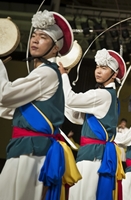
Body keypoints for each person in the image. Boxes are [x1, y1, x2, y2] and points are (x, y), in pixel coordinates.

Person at [0, 10, 81, 200]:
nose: (34, 40)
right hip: (25, 149)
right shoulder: (42, 73)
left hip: (31, 153)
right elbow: (12, 108)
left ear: (55, 48)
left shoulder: (47, 73)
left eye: (43, 37)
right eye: (34, 35)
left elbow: (4, 95)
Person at [60, 48, 126, 200]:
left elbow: (71, 100)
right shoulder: (108, 95)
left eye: (104, 68)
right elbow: (76, 117)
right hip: (92, 155)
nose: (98, 71)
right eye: (97, 67)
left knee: (84, 196)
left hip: (93, 157)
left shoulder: (102, 95)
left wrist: (63, 75)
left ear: (114, 74)